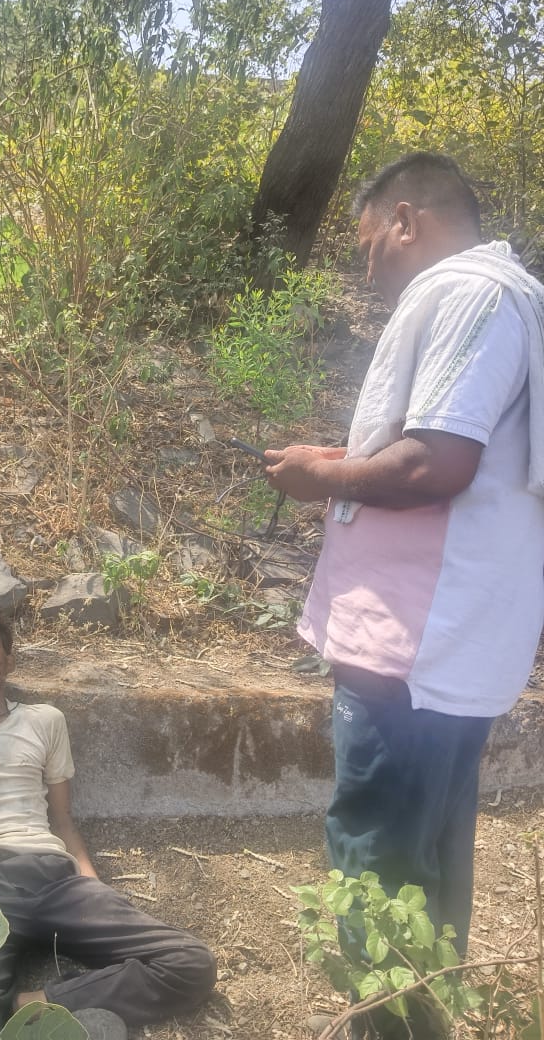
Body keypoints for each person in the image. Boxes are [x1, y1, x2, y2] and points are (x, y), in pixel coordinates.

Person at [263, 153, 544, 1026]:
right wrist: (340, 465)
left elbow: (436, 462)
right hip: (451, 646)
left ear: (405, 220)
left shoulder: (470, 292)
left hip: (411, 646)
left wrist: (324, 474)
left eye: (368, 245)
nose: (367, 267)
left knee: (375, 859)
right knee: (427, 858)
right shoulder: (517, 297)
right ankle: (422, 1023)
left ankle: (389, 1028)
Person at [0, 603, 216, 1038]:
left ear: (8, 662)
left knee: (191, 963)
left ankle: (38, 1006)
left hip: (54, 878)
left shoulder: (44, 720)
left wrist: (91, 882)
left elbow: (63, 819)